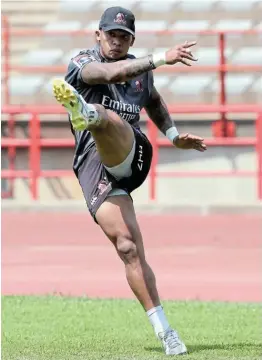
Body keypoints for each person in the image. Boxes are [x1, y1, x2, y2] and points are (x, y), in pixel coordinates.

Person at [52, 6, 206, 356]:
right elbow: (109, 72)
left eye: (124, 37)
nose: (117, 41)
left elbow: (152, 99)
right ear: (98, 35)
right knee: (128, 246)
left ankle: (88, 114)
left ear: (131, 40)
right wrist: (161, 58)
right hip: (93, 164)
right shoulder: (82, 61)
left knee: (105, 118)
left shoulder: (140, 71)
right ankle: (165, 331)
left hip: (132, 151)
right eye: (111, 35)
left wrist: (173, 134)